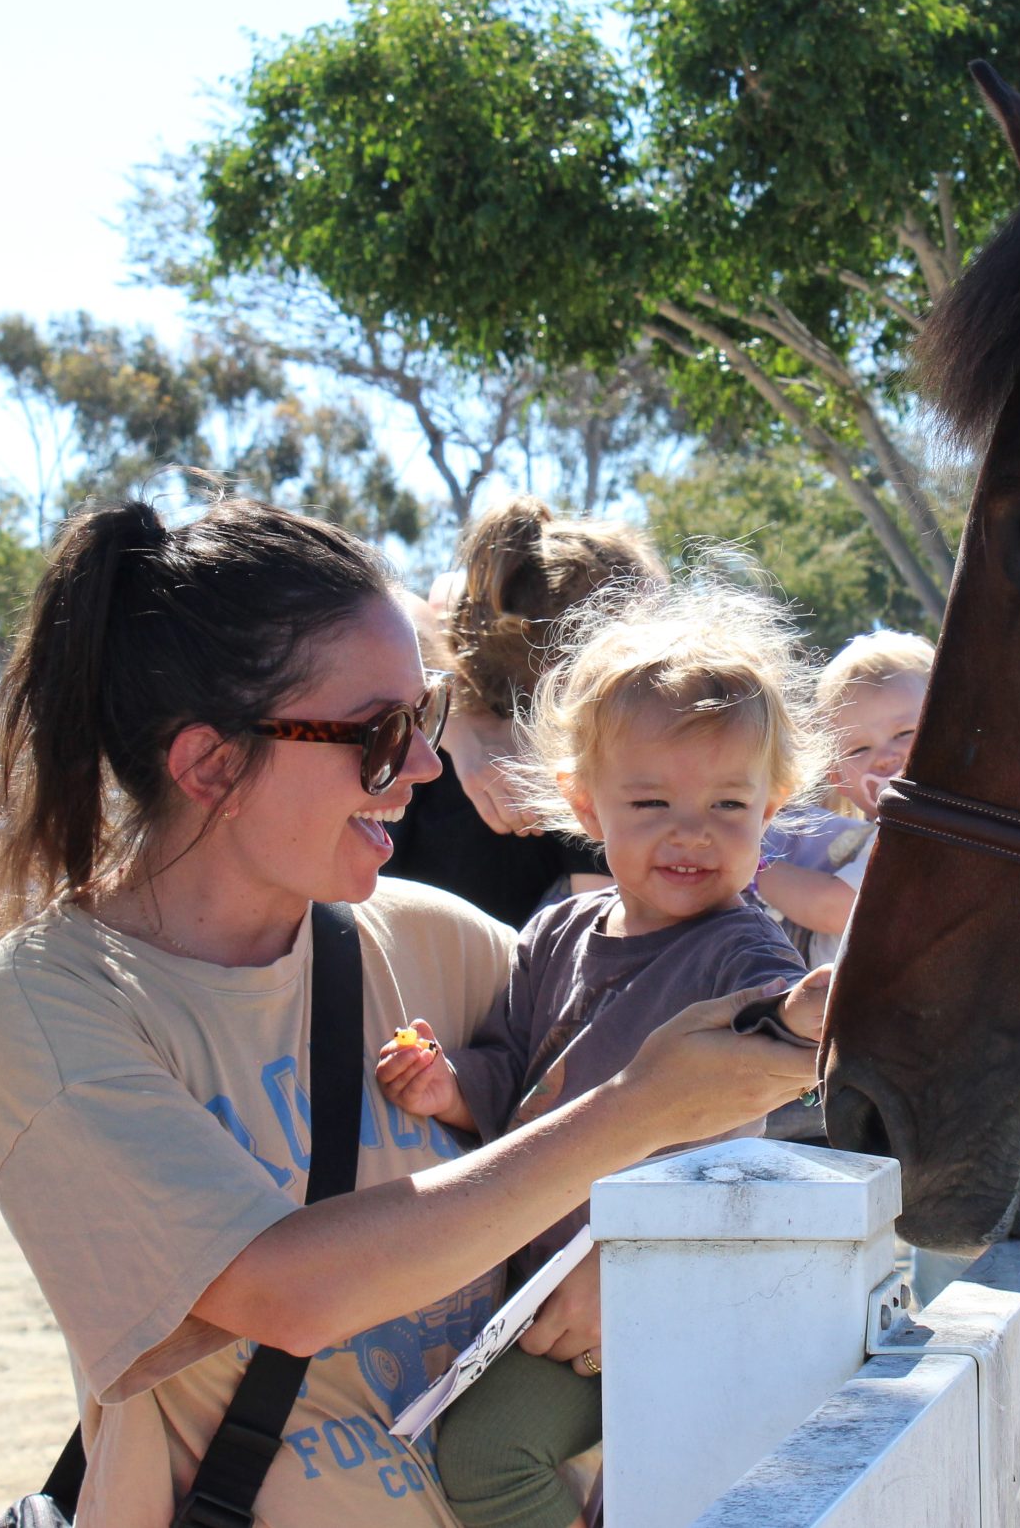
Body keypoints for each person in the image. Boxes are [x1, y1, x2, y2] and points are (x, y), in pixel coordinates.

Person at [0, 491, 816, 1528]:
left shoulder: (433, 939)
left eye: (428, 716)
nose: (423, 766)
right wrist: (632, 1112)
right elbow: (284, 1290)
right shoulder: (43, 1007)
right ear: (210, 763)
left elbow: (683, 1039)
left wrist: (639, 1273)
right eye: (378, 733)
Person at [374, 577, 833, 1528]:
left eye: (729, 804)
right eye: (653, 800)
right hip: (538, 1276)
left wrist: (621, 1261)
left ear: (773, 806)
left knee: (492, 1456)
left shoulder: (744, 954)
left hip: (663, 1290)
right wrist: (449, 1083)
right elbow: (512, 1070)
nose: (692, 832)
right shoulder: (557, 932)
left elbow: (750, 1089)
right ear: (587, 802)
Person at [381, 497, 662, 928]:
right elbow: (608, 941)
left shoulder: (421, 735)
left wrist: (459, 721)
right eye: (650, 639)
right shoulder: (583, 775)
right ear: (576, 653)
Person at [753, 629, 934, 964]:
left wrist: (750, 868)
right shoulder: (879, 835)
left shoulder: (921, 838)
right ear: (836, 776)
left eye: (905, 733)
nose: (885, 757)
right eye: (859, 748)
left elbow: (832, 907)